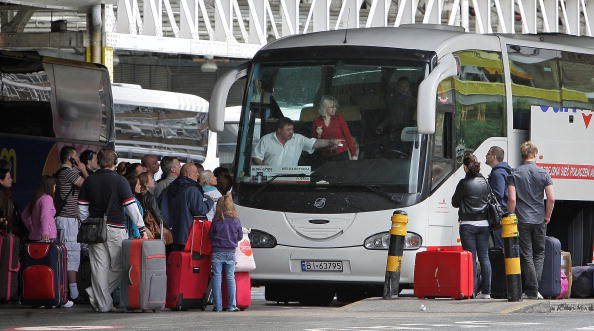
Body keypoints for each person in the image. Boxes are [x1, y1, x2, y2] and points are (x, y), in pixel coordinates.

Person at [78, 149, 146, 312]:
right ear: (115, 162)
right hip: (116, 228)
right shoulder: (120, 181)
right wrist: (141, 227)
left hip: (94, 228)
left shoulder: (89, 181)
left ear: (99, 162)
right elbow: (131, 207)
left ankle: (101, 301)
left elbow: (81, 208)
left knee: (98, 266)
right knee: (121, 265)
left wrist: (87, 222)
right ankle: (99, 299)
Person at [507, 141, 555, 300]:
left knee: (526, 255)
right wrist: (547, 216)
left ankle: (531, 290)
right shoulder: (543, 173)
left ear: (522, 155)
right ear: (535, 154)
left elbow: (512, 199)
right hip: (539, 219)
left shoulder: (514, 173)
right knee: (539, 254)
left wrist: (511, 215)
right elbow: (551, 199)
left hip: (522, 219)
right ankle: (534, 290)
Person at [451, 153, 491, 299]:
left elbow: (454, 202)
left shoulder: (463, 183)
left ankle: (471, 290)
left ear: (466, 167)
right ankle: (486, 291)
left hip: (467, 224)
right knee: (484, 258)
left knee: (471, 258)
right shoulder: (485, 182)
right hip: (484, 224)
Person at [55, 146, 89, 303]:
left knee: (69, 255)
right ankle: (72, 293)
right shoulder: (69, 172)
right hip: (68, 220)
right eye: (76, 157)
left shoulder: (62, 173)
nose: (79, 160)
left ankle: (69, 291)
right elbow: (88, 186)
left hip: (68, 219)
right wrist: (83, 169)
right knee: (72, 255)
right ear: (71, 159)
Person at [159, 163, 213, 251]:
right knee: (185, 262)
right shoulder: (192, 189)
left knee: (173, 261)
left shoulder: (170, 187)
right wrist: (210, 201)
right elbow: (200, 210)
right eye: (195, 172)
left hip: (170, 234)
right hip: (187, 235)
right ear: (188, 174)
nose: (198, 174)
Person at [252, 117, 344, 167]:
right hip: (268, 180)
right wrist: (261, 165)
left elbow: (315, 143)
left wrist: (331, 142)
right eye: (288, 130)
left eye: (292, 129)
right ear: (279, 130)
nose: (291, 132)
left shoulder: (298, 139)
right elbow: (256, 157)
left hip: (291, 180)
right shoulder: (266, 139)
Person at [208, 193, 243, 312]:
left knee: (217, 278)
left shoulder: (216, 220)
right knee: (230, 278)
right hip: (230, 252)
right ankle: (232, 306)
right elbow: (240, 236)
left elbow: (210, 235)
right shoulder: (236, 220)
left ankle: (218, 306)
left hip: (217, 251)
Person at [311, 95, 358, 161]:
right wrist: (318, 134)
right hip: (324, 157)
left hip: (341, 155)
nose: (335, 109)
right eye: (332, 107)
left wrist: (354, 155)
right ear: (325, 108)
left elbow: (348, 138)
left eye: (335, 106)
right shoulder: (317, 121)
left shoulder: (340, 119)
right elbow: (313, 143)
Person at [486, 146, 512, 248]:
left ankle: (500, 264)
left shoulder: (497, 173)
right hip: (505, 213)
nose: (486, 156)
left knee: (500, 247)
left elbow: (497, 194)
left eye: (488, 154)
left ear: (494, 157)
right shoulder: (504, 170)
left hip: (499, 215)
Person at [21, 176, 57, 242]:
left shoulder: (36, 198)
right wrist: (45, 232)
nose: (55, 189)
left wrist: (32, 228)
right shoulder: (47, 198)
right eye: (54, 186)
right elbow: (44, 216)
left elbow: (24, 215)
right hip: (47, 237)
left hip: (35, 236)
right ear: (49, 186)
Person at [137, 172, 168, 240]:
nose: (153, 180)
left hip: (140, 227)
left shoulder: (137, 195)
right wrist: (167, 226)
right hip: (150, 228)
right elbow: (157, 215)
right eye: (151, 179)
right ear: (145, 184)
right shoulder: (150, 197)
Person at [0, 168, 19, 237]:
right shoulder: (2, 195)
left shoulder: (7, 194)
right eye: (8, 178)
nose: (11, 180)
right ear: (1, 181)